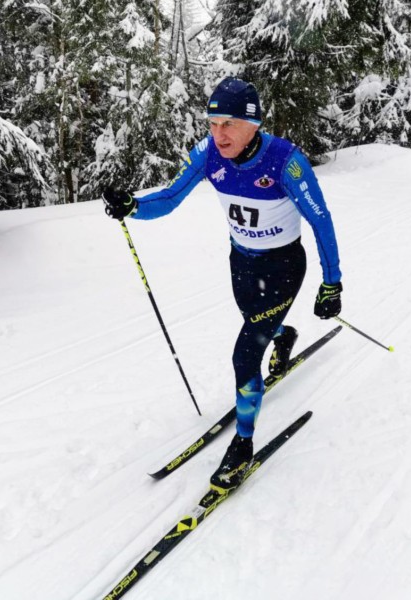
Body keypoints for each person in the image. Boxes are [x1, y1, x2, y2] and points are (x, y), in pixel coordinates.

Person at [102, 76, 342, 492]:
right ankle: (284, 336)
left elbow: (321, 220)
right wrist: (133, 207)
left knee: (245, 354)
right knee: (255, 320)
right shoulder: (209, 152)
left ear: (253, 123)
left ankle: (243, 445)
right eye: (212, 123)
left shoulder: (286, 161)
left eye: (228, 123)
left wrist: (332, 283)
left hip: (283, 266)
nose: (218, 134)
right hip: (242, 263)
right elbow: (171, 197)